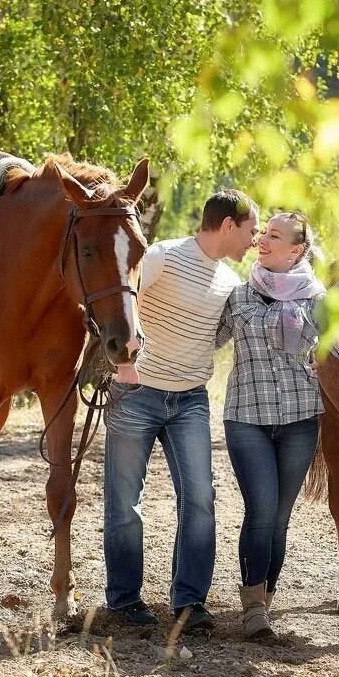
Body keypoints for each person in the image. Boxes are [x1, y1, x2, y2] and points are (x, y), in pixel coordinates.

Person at [215, 211, 339, 639]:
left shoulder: (317, 300)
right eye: (263, 234)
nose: (262, 241)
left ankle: (266, 596)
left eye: (274, 236)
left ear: (296, 250)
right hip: (247, 417)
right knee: (261, 509)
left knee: (280, 517)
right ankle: (252, 607)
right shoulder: (238, 296)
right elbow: (204, 340)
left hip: (300, 421)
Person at [103, 189, 260, 631]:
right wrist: (124, 364)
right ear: (228, 225)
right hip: (137, 395)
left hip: (190, 399)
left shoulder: (231, 283)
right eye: (251, 230)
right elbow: (120, 305)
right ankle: (124, 602)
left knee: (201, 500)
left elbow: (216, 337)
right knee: (124, 504)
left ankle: (190, 604)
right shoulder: (162, 257)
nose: (254, 239)